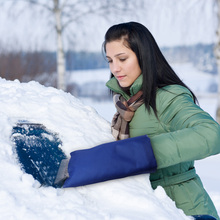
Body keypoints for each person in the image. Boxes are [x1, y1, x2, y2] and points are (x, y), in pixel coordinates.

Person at [56, 22, 220, 219]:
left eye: (122, 59)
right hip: (150, 209)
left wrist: (143, 153)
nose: (115, 68)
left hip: (186, 211)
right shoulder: (128, 104)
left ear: (144, 56)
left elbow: (211, 134)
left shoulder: (168, 97)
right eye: (109, 60)